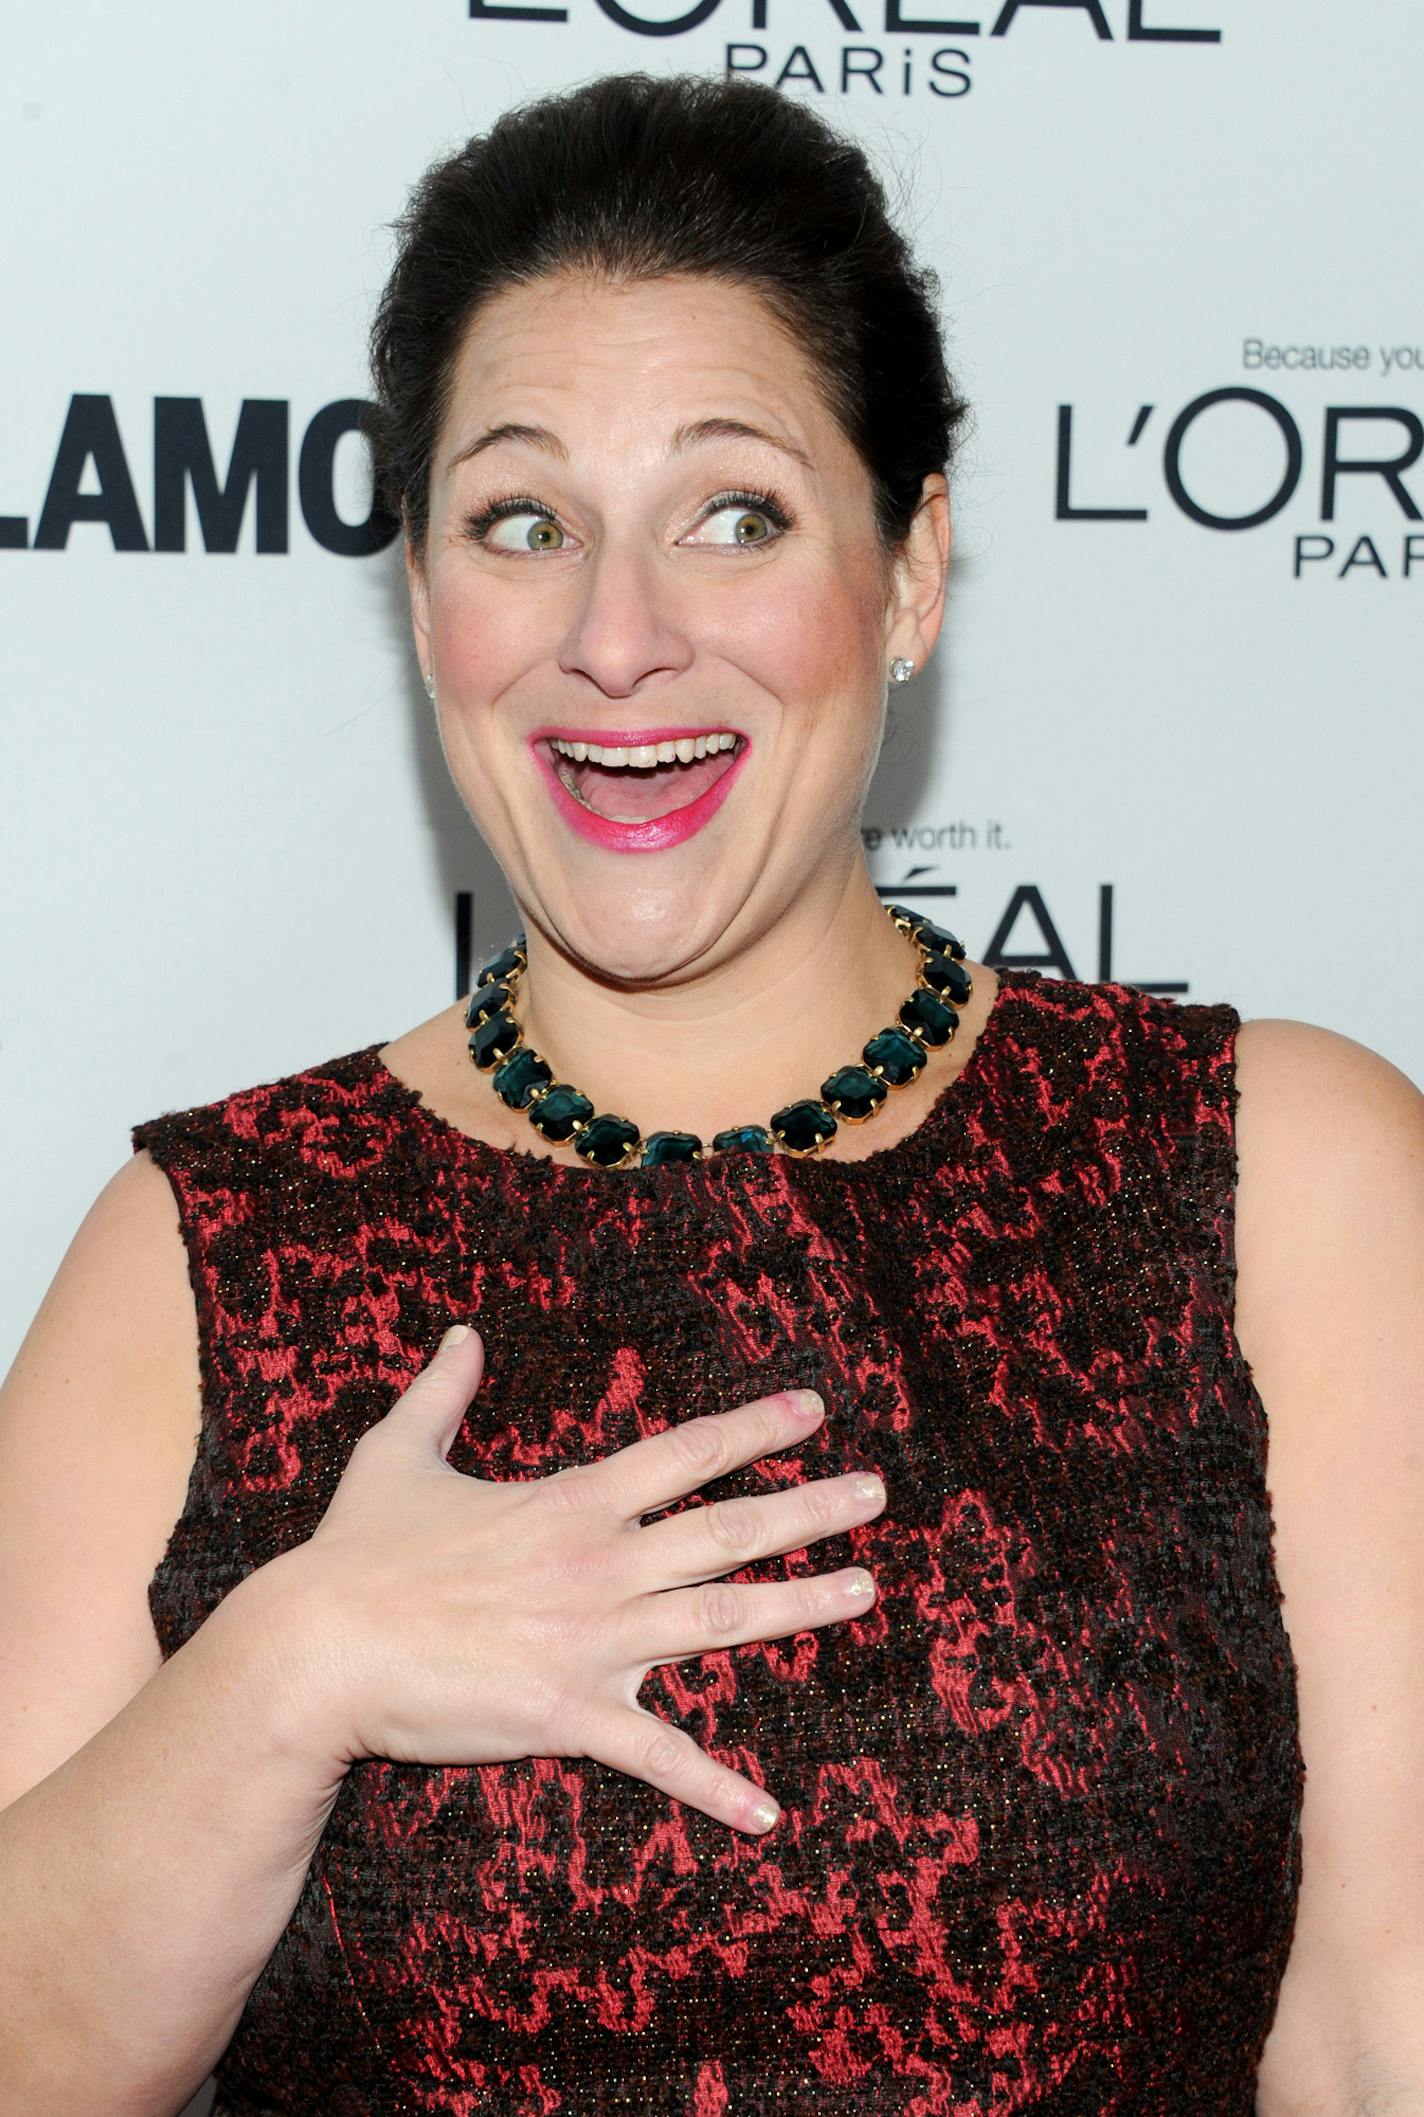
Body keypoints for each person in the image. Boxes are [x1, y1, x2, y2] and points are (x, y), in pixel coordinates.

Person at [1, 66, 1421, 2117]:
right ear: (424, 603)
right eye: (523, 523)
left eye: (731, 513)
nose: (617, 637)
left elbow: (1383, 2040)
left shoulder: (1282, 1171)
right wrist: (292, 1670)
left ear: (910, 570)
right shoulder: (202, 1252)